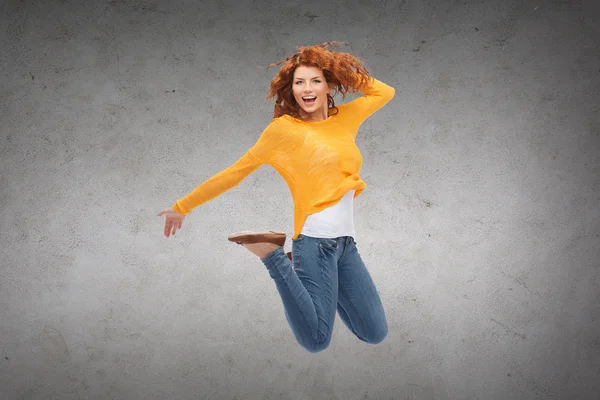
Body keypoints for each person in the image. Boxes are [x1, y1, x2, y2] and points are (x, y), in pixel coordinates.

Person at [157, 41, 395, 353]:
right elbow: (236, 171)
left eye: (315, 81)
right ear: (291, 89)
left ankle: (301, 271)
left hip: (346, 246)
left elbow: (384, 92)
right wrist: (182, 206)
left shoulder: (345, 119)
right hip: (315, 242)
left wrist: (337, 68)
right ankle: (272, 254)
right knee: (316, 340)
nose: (306, 89)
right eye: (299, 82)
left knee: (374, 333)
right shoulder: (283, 131)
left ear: (327, 85)